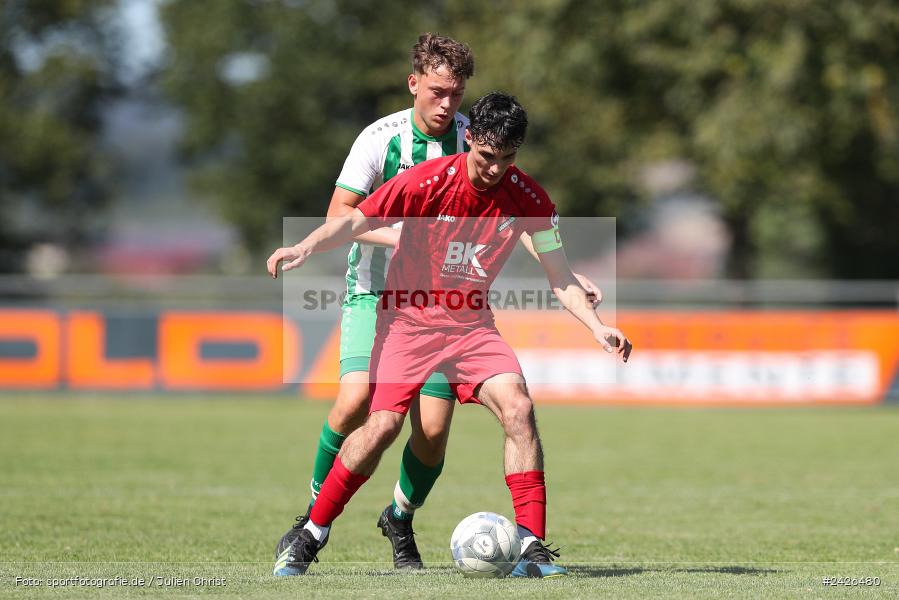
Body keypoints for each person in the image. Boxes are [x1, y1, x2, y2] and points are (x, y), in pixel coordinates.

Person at [271, 34, 602, 574]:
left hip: (462, 315)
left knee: (435, 432)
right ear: (414, 84)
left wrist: (560, 268)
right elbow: (346, 217)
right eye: (438, 91)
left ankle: (408, 520)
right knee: (365, 409)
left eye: (457, 93)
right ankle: (311, 522)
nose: (448, 104)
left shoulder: (480, 138)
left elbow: (505, 210)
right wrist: (381, 238)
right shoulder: (383, 142)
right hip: (383, 294)